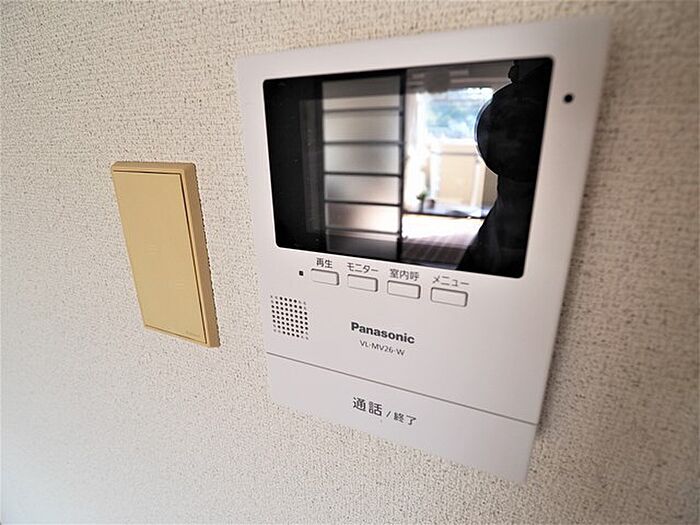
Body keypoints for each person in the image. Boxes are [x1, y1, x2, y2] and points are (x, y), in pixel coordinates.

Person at [457, 58, 552, 278]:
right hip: (505, 219)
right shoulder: (533, 94)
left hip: (516, 235)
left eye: (518, 64)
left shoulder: (539, 96)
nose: (511, 72)